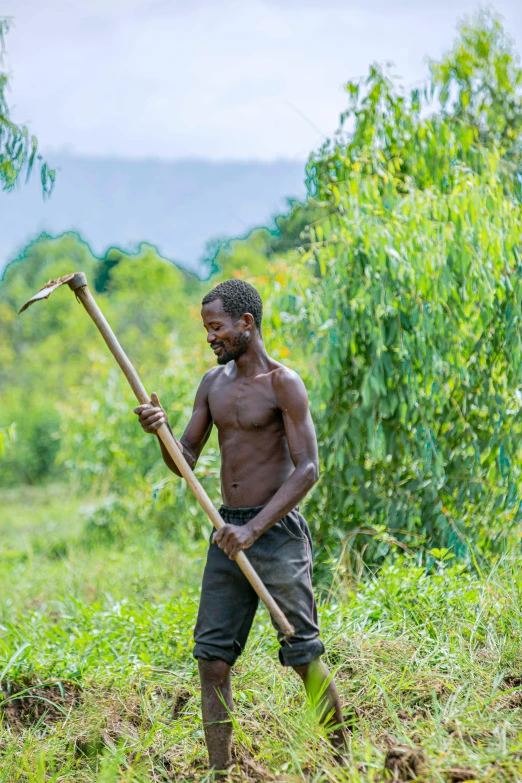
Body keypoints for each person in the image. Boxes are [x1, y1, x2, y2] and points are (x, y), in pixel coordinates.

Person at [134, 279, 345, 776]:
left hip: (276, 534)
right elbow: (184, 460)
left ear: (245, 323)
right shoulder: (213, 384)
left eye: (216, 327)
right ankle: (220, 773)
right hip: (226, 531)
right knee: (211, 660)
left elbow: (308, 469)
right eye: (207, 328)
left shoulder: (282, 383)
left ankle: (342, 761)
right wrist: (159, 431)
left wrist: (254, 531)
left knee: (301, 652)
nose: (210, 337)